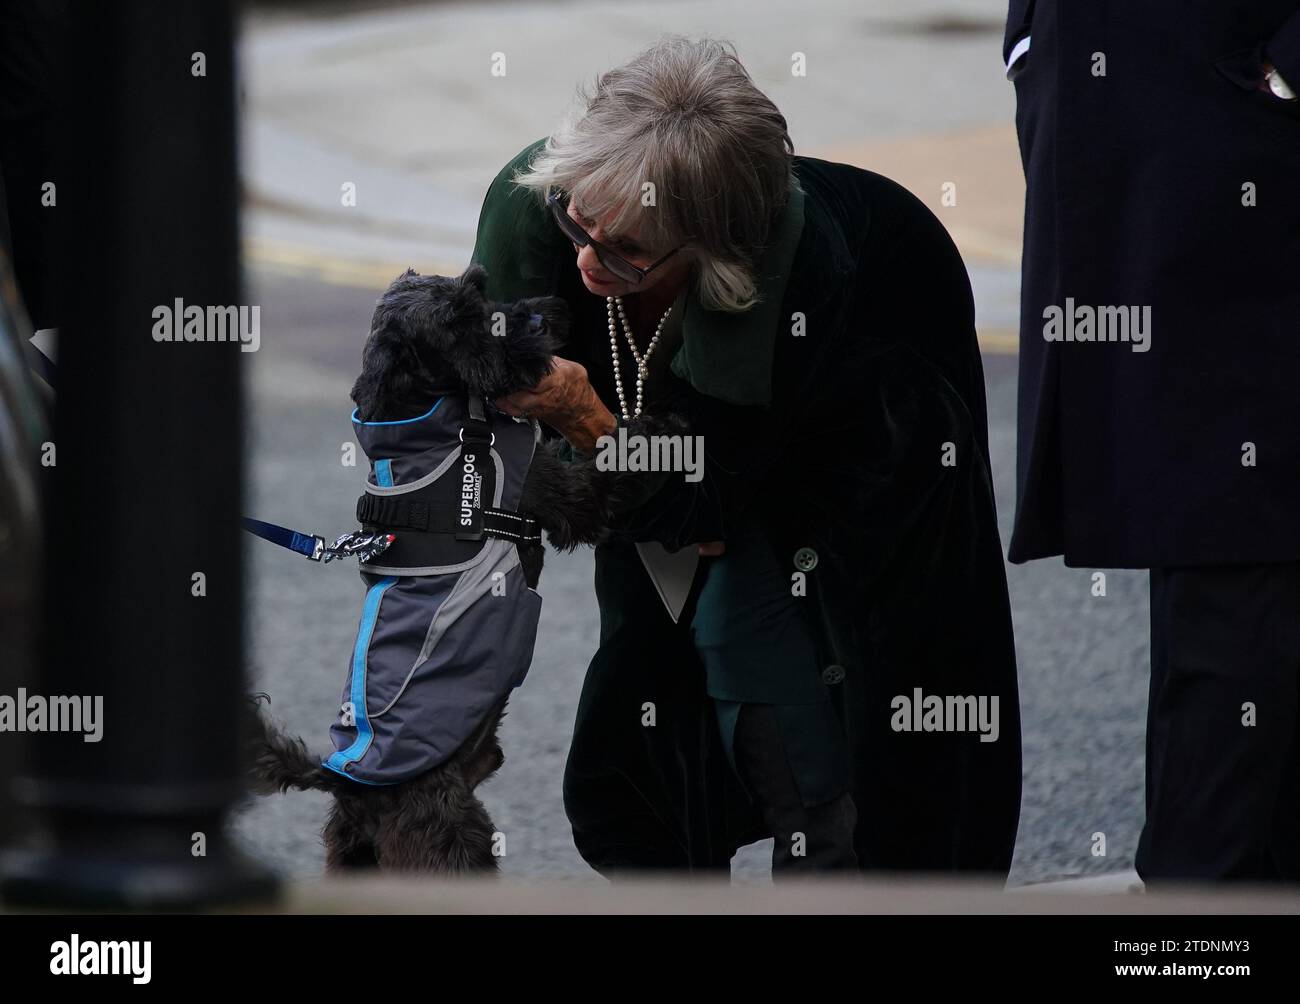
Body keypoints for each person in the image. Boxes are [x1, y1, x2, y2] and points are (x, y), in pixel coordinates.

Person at [472, 36, 1021, 877]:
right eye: (579, 225)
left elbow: (703, 495)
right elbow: (486, 413)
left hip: (868, 422)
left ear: (710, 250)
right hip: (687, 438)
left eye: (625, 252)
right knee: (648, 695)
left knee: (843, 698)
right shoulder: (541, 201)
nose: (586, 261)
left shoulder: (780, 261)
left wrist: (589, 417)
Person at [1005, 2, 1300, 881]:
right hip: (1136, 134)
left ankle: (1204, 911)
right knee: (1211, 546)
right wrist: (1030, 44)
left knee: (1240, 544)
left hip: (1242, 130)